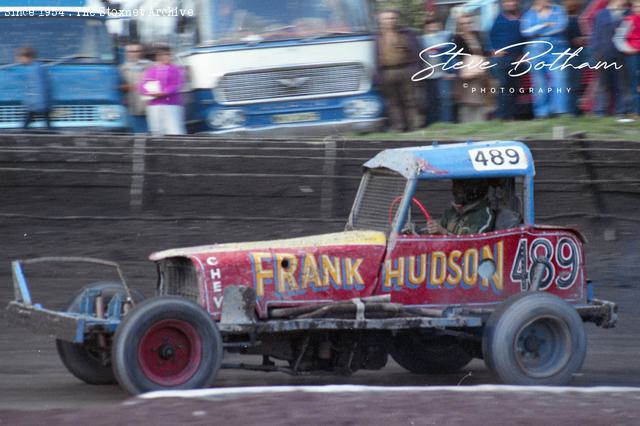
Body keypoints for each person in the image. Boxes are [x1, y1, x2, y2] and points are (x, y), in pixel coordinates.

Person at [375, 9, 423, 132]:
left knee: (410, 100)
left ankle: (414, 126)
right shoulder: (377, 37)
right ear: (380, 21)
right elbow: (375, 56)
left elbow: (417, 53)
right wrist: (378, 76)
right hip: (387, 72)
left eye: (392, 18)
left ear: (396, 20)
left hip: (406, 69)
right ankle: (399, 127)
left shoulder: (406, 33)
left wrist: (416, 71)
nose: (390, 21)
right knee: (393, 102)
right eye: (386, 18)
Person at [521, 0, 570, 118]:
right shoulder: (528, 14)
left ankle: (560, 110)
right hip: (535, 51)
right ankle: (542, 112)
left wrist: (537, 32)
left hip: (557, 49)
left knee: (559, 79)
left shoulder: (558, 10)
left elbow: (561, 26)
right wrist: (545, 25)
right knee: (539, 82)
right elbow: (525, 32)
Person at [590, 0, 629, 117]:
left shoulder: (627, 13)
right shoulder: (601, 14)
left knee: (620, 83)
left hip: (621, 54)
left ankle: (621, 111)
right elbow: (596, 35)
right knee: (603, 83)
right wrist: (595, 52)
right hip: (603, 53)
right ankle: (600, 110)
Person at [453, 13, 493, 123]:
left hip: (481, 74)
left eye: (469, 23)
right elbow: (457, 57)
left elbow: (484, 52)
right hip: (467, 76)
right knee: (468, 104)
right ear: (459, 25)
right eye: (463, 23)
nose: (466, 25)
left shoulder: (478, 36)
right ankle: (469, 127)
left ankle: (479, 126)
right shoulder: (457, 39)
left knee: (482, 102)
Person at [138, 44, 186, 136]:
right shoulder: (151, 70)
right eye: (162, 54)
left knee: (174, 130)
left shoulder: (176, 70)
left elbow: (176, 85)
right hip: (154, 105)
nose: (166, 57)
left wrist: (164, 92)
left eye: (167, 54)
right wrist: (149, 92)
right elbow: (142, 86)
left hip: (171, 105)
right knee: (157, 131)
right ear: (157, 56)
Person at [490, 0, 526, 120]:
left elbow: (525, 38)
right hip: (502, 59)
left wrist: (523, 54)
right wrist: (494, 50)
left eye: (513, 1)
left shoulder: (522, 18)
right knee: (503, 88)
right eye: (507, 2)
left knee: (514, 88)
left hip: (517, 59)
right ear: (503, 4)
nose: (510, 4)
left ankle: (511, 116)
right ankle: (501, 116)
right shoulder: (498, 19)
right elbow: (490, 37)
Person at [426, 179, 495, 235]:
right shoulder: (451, 212)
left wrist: (444, 233)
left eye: (461, 187)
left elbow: (474, 243)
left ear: (475, 189)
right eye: (455, 185)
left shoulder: (483, 214)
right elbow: (438, 231)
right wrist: (432, 228)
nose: (456, 190)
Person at [421, 15, 454, 125]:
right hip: (429, 75)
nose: (433, 26)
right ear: (426, 26)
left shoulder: (446, 36)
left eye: (435, 23)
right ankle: (433, 123)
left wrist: (450, 71)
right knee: (431, 100)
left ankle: (447, 122)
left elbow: (450, 55)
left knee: (445, 99)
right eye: (430, 24)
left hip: (443, 74)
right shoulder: (422, 40)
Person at [16, 47, 52, 130]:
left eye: (20, 58)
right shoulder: (37, 67)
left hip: (37, 104)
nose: (19, 61)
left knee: (24, 127)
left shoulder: (35, 69)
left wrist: (33, 104)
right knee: (48, 125)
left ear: (27, 57)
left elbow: (38, 88)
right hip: (40, 104)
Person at [120, 43, 151, 133]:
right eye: (131, 51)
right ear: (126, 53)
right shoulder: (121, 69)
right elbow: (119, 86)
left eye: (137, 51)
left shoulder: (149, 66)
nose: (134, 53)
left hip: (147, 108)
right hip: (131, 108)